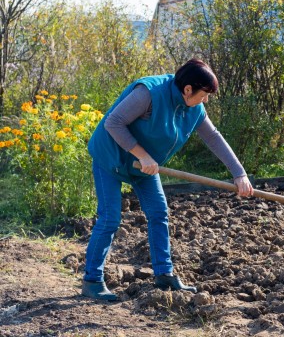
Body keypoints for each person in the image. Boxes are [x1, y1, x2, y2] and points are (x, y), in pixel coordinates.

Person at [82, 58, 254, 301]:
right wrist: (142, 155)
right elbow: (114, 122)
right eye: (204, 95)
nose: (205, 101)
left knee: (159, 213)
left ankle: (164, 276)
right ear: (187, 89)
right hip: (110, 156)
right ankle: (92, 281)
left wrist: (239, 173)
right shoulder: (148, 94)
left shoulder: (194, 109)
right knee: (110, 217)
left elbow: (213, 138)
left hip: (145, 165)